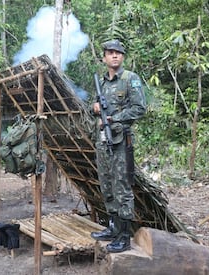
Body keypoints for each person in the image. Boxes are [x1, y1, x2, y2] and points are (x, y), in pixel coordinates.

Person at [90, 39, 146, 253]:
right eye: (110, 53)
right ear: (104, 57)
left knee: (122, 188)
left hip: (121, 142)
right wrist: (94, 108)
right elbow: (93, 108)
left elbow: (139, 109)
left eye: (118, 53)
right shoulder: (102, 82)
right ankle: (113, 228)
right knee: (106, 185)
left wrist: (113, 119)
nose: (114, 56)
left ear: (122, 57)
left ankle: (124, 236)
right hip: (103, 142)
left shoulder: (130, 79)